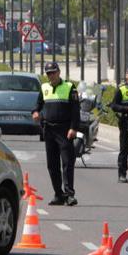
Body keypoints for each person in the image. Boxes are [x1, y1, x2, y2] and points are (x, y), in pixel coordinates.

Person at [32, 61, 80, 206]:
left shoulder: (69, 87)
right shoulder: (44, 87)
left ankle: (69, 194)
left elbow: (75, 111)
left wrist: (73, 128)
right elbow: (38, 105)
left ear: (59, 72)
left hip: (64, 130)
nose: (51, 75)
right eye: (48, 73)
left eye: (53, 72)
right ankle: (58, 194)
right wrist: (35, 112)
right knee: (52, 165)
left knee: (67, 163)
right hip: (49, 130)